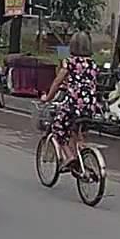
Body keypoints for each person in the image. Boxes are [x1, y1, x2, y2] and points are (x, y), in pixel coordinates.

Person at [40, 31, 99, 170]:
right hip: (90, 106)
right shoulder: (93, 64)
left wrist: (47, 98)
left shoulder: (70, 63)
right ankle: (83, 157)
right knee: (76, 130)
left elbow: (57, 82)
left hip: (74, 105)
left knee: (58, 128)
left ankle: (70, 157)